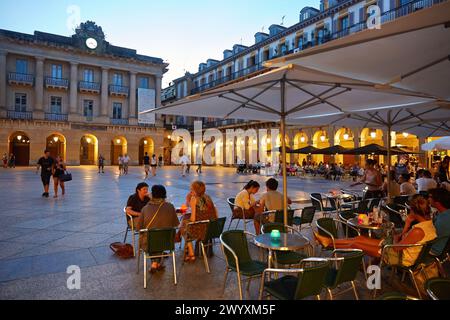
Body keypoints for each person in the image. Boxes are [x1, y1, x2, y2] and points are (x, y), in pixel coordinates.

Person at [315, 195, 437, 267]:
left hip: (397, 256)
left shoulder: (418, 231)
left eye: (410, 210)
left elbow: (396, 247)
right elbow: (402, 239)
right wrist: (407, 226)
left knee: (356, 244)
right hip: (397, 249)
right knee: (359, 239)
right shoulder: (428, 224)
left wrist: (405, 227)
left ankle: (329, 243)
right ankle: (328, 242)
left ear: (414, 211)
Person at [136, 185, 179, 273]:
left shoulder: (145, 208)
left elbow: (138, 228)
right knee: (160, 236)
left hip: (149, 243)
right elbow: (176, 224)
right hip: (167, 242)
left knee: (151, 237)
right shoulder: (170, 207)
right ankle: (156, 263)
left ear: (152, 194)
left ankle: (154, 263)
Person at [180, 181, 218, 262]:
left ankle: (191, 253)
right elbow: (214, 212)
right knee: (185, 223)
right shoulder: (207, 197)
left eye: (192, 189)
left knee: (183, 226)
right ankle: (188, 250)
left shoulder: (194, 199)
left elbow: (193, 219)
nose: (190, 191)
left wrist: (186, 221)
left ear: (196, 190)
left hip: (201, 230)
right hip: (212, 229)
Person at [428, 188, 450, 257]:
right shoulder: (442, 213)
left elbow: (430, 238)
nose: (428, 199)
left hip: (432, 251)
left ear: (437, 201)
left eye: (430, 197)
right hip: (437, 247)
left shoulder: (444, 219)